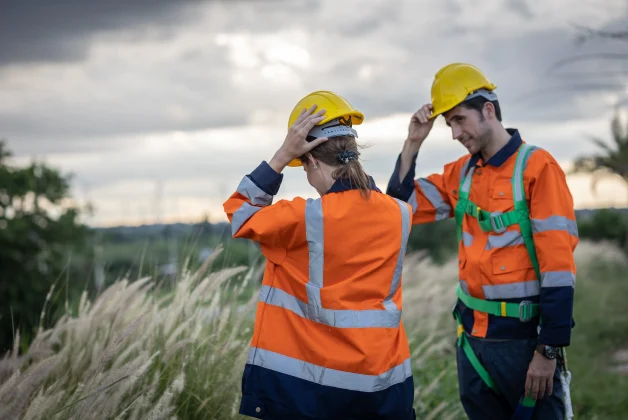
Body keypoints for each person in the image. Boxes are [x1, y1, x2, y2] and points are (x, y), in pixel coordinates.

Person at [386, 63, 577, 420]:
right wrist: (413, 142)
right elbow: (400, 207)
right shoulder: (460, 173)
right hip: (472, 344)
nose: (456, 133)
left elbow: (559, 269)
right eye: (450, 125)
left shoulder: (538, 168)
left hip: (524, 346)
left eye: (460, 120)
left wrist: (548, 351)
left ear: (488, 109)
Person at [223, 90, 417, 420]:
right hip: (387, 388)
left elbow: (240, 213)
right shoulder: (400, 213)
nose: (309, 180)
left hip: (315, 394)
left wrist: (282, 156)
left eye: (304, 168)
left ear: (311, 159)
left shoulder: (304, 218)